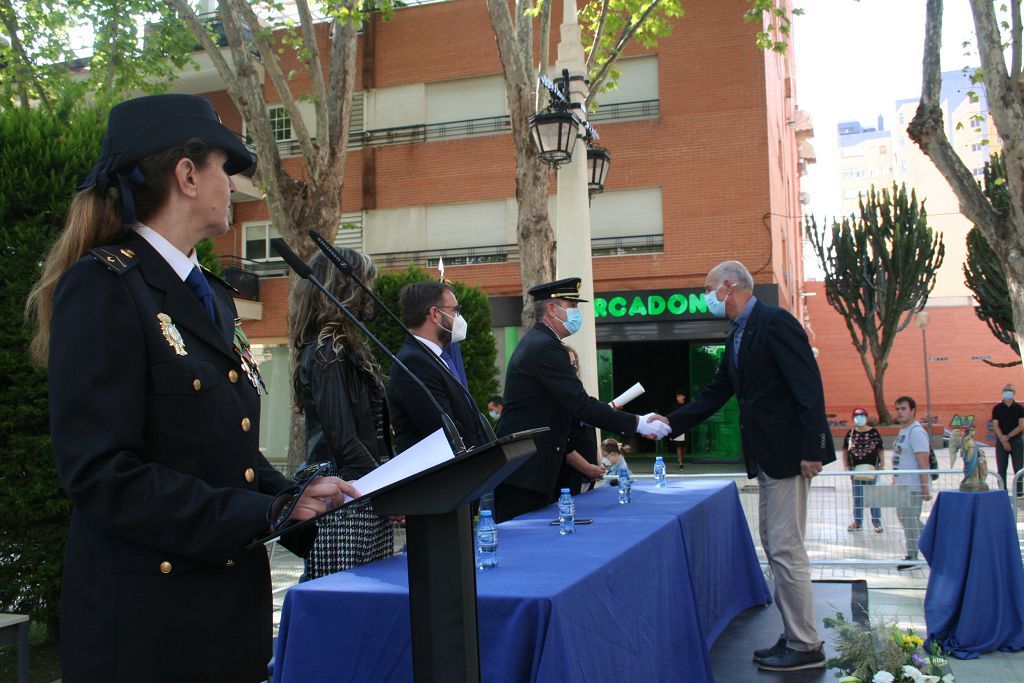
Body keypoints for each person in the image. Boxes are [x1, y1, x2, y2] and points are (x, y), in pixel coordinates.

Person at [27, 94, 354, 682]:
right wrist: (265, 512)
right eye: (224, 170)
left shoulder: (210, 294)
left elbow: (224, 453)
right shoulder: (104, 287)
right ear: (186, 175)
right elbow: (102, 474)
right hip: (151, 634)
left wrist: (298, 500)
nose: (231, 185)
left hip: (226, 621)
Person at [662, 260, 833, 673]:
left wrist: (813, 448)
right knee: (776, 543)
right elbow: (717, 391)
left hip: (789, 455)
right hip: (768, 456)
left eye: (708, 288)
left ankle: (806, 644)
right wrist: (669, 422)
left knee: (785, 547)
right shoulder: (738, 334)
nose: (706, 297)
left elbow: (808, 385)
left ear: (728, 285)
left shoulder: (775, 322)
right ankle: (796, 632)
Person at [494, 277, 671, 521]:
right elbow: (581, 405)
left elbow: (560, 412)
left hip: (531, 471)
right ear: (552, 309)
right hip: (526, 475)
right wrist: (639, 423)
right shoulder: (544, 347)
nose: (577, 313)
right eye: (572, 306)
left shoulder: (542, 342)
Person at [291, 251, 395, 579]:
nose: (370, 291)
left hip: (361, 495)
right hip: (343, 504)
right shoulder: (328, 351)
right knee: (343, 605)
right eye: (366, 282)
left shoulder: (347, 347)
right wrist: (386, 489)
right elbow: (343, 439)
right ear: (345, 286)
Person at [388, 280, 489, 453]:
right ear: (435, 314)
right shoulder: (414, 362)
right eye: (456, 310)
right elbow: (443, 430)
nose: (459, 318)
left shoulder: (433, 357)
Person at [555, 346, 605, 495]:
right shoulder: (557, 398)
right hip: (567, 479)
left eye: (575, 363)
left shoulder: (580, 395)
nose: (573, 367)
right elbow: (563, 443)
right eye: (569, 363)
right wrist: (587, 468)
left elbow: (591, 432)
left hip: (588, 478)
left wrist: (598, 463)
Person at [892, 396, 932, 569]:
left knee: (909, 519)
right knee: (908, 518)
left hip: (913, 485)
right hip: (902, 484)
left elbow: (923, 461)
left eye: (903, 408)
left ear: (913, 410)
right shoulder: (903, 431)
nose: (900, 412)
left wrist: (924, 487)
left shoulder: (916, 432)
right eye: (898, 409)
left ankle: (912, 556)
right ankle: (933, 540)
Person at [843, 408, 884, 533]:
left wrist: (882, 463)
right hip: (856, 471)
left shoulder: (874, 433)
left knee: (873, 497)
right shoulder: (850, 433)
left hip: (872, 469)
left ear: (866, 417)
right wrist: (846, 464)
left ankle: (877, 523)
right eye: (856, 415)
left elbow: (880, 449)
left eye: (861, 415)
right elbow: (845, 450)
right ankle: (858, 522)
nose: (859, 417)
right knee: (858, 497)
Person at [992, 383, 1024, 496]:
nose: (1007, 392)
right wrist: (1003, 439)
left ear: (1014, 393)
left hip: (1016, 442)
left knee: (1019, 469)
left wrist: (1009, 436)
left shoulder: (1019, 408)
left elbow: (1021, 426)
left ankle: (1019, 494)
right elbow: (995, 425)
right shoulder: (997, 408)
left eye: (1009, 390)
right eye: (1005, 390)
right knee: (1001, 470)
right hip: (1001, 442)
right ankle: (1002, 493)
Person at [673, 391, 688, 469]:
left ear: (683, 397)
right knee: (678, 446)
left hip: (685, 428)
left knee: (685, 447)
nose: (677, 398)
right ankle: (681, 463)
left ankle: (681, 458)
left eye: (679, 396)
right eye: (677, 396)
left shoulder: (688, 405)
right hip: (677, 428)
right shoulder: (675, 406)